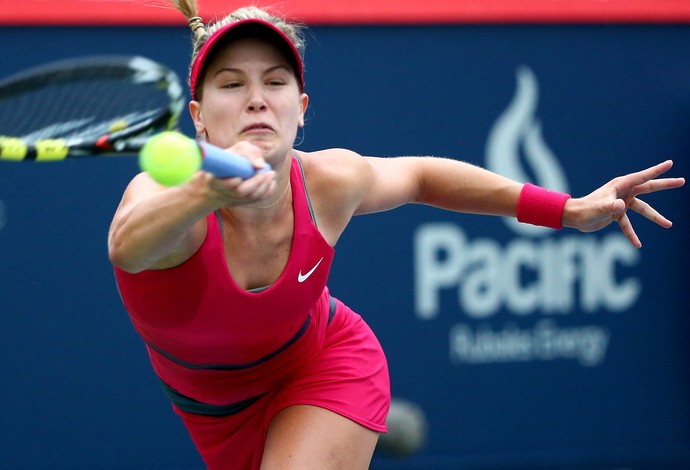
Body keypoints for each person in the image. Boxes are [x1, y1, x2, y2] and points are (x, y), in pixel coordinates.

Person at [108, 2, 685, 469]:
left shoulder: (329, 181)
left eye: (275, 81)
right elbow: (128, 246)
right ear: (199, 117)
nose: (257, 97)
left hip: (325, 361)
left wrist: (568, 209)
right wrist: (205, 192)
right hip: (213, 413)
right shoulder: (169, 200)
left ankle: (342, 421)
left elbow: (420, 176)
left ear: (301, 109)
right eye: (231, 84)